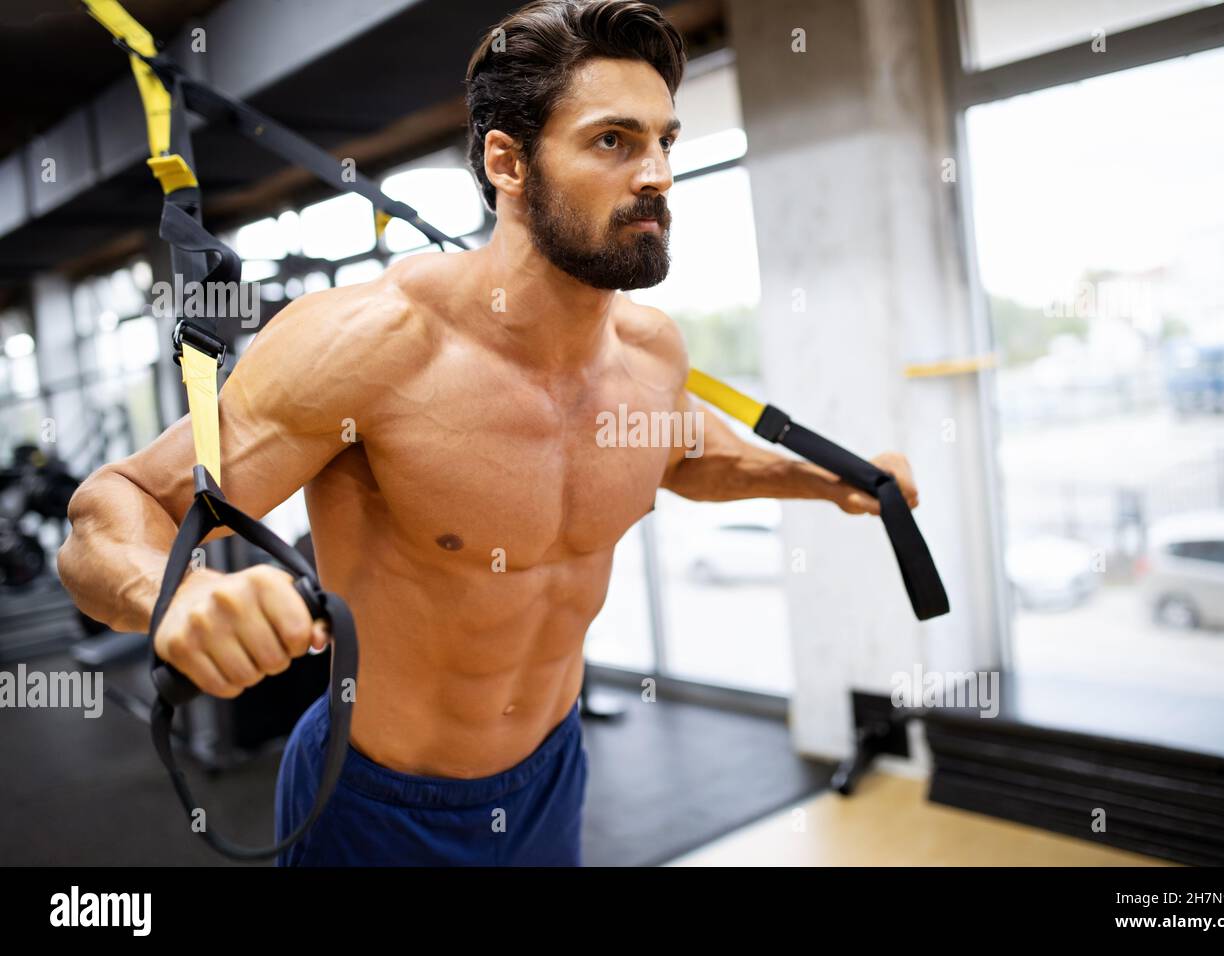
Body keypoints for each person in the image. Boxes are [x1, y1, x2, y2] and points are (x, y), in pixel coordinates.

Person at [56, 0, 920, 866]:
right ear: (507, 162)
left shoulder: (651, 354)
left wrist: (825, 481)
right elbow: (112, 510)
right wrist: (174, 596)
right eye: (614, 140)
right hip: (374, 801)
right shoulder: (375, 349)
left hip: (552, 774)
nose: (656, 172)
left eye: (666, 141)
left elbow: (685, 452)